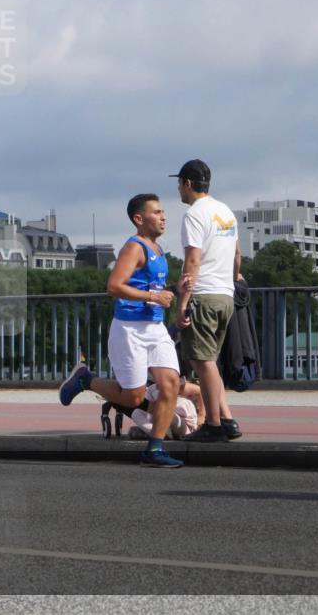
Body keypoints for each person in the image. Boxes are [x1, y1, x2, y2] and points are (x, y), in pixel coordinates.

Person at [59, 193, 187, 467]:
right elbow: (114, 286)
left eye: (163, 211)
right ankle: (85, 380)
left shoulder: (159, 249)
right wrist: (155, 298)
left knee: (170, 384)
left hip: (155, 327)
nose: (163, 216)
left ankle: (154, 449)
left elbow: (149, 288)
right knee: (134, 397)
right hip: (130, 329)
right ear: (139, 219)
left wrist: (175, 290)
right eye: (157, 212)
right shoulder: (134, 247)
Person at [172, 159, 243, 443]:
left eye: (179, 183)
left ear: (187, 183)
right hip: (225, 295)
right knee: (210, 361)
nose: (178, 188)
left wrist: (182, 303)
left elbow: (192, 260)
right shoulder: (225, 212)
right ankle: (227, 420)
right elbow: (237, 254)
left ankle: (212, 424)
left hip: (203, 294)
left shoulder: (194, 215)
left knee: (202, 362)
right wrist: (234, 279)